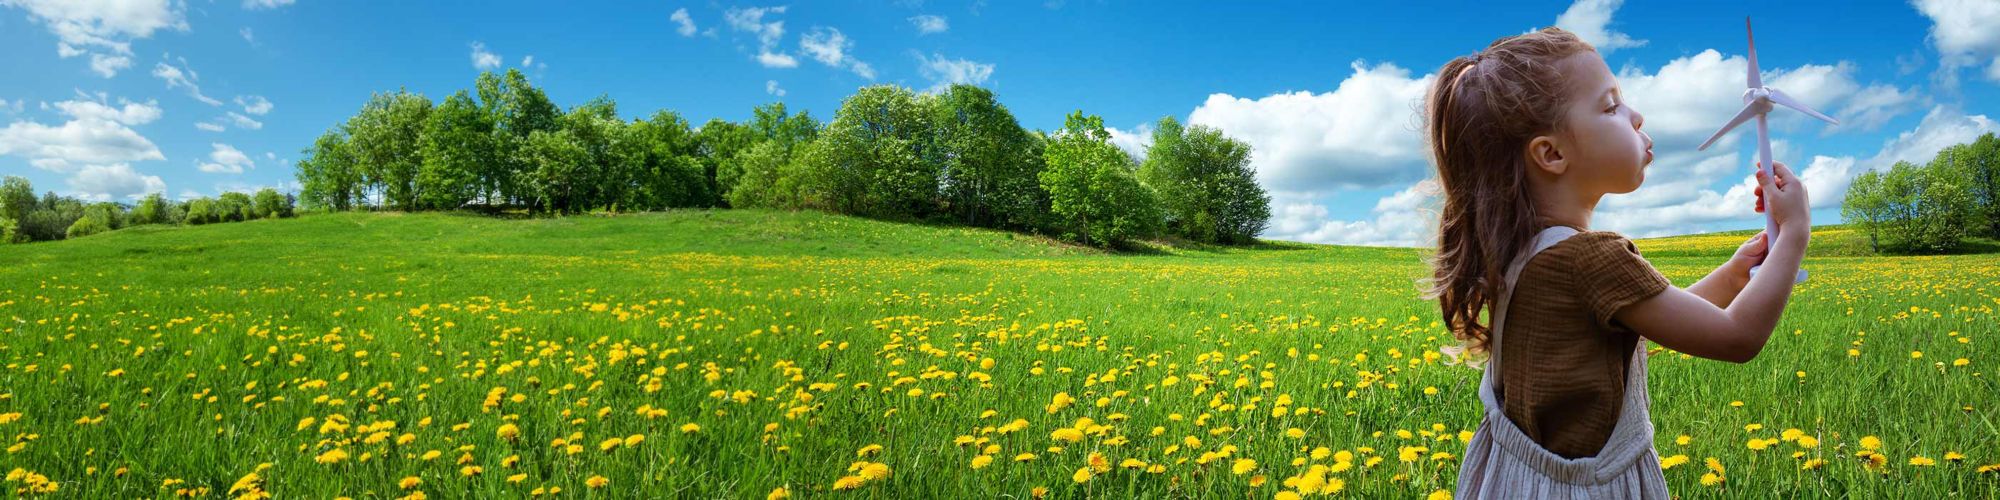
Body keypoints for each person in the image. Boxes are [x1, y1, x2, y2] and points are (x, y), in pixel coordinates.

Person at [1422, 27, 1811, 498]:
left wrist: (1733, 274)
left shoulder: (1524, 251)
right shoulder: (1592, 257)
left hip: (1515, 479)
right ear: (1552, 153)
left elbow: (1647, 324)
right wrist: (1793, 234)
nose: (1636, 114)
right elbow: (1735, 337)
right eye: (1610, 107)